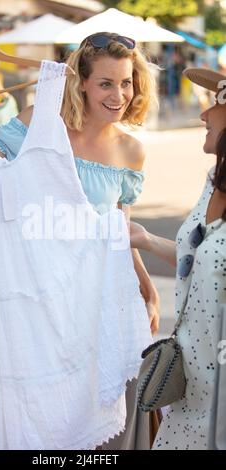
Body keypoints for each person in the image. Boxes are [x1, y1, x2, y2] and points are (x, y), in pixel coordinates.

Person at [0, 32, 160, 334]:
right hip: (33, 298)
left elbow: (121, 233)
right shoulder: (40, 125)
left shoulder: (131, 151)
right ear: (82, 82)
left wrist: (148, 290)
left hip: (96, 299)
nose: (119, 96)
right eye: (105, 84)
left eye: (126, 83)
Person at [130, 67, 226, 450]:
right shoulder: (212, 179)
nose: (202, 113)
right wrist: (146, 240)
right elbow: (201, 260)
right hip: (186, 390)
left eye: (215, 101)